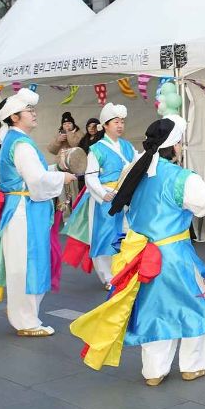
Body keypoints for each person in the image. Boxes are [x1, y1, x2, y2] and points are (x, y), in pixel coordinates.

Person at [70, 116, 205, 386]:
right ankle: (193, 365)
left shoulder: (135, 170)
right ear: (176, 146)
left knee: (153, 310)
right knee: (196, 306)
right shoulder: (180, 178)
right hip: (173, 255)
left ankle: (154, 371)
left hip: (141, 255)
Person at [0, 88, 76, 336]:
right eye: (29, 111)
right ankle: (25, 320)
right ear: (14, 117)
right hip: (25, 209)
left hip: (22, 208)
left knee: (22, 263)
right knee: (26, 263)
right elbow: (36, 180)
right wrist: (61, 176)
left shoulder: (15, 140)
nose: (34, 114)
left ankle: (23, 314)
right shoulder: (21, 143)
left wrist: (54, 170)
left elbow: (30, 175)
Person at [64, 103, 136, 287]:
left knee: (126, 234)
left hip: (125, 198)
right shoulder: (97, 149)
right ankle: (108, 277)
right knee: (104, 236)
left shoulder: (127, 146)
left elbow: (137, 165)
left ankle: (123, 272)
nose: (120, 125)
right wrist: (103, 194)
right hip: (105, 199)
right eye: (115, 122)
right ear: (105, 125)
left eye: (122, 122)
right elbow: (90, 176)